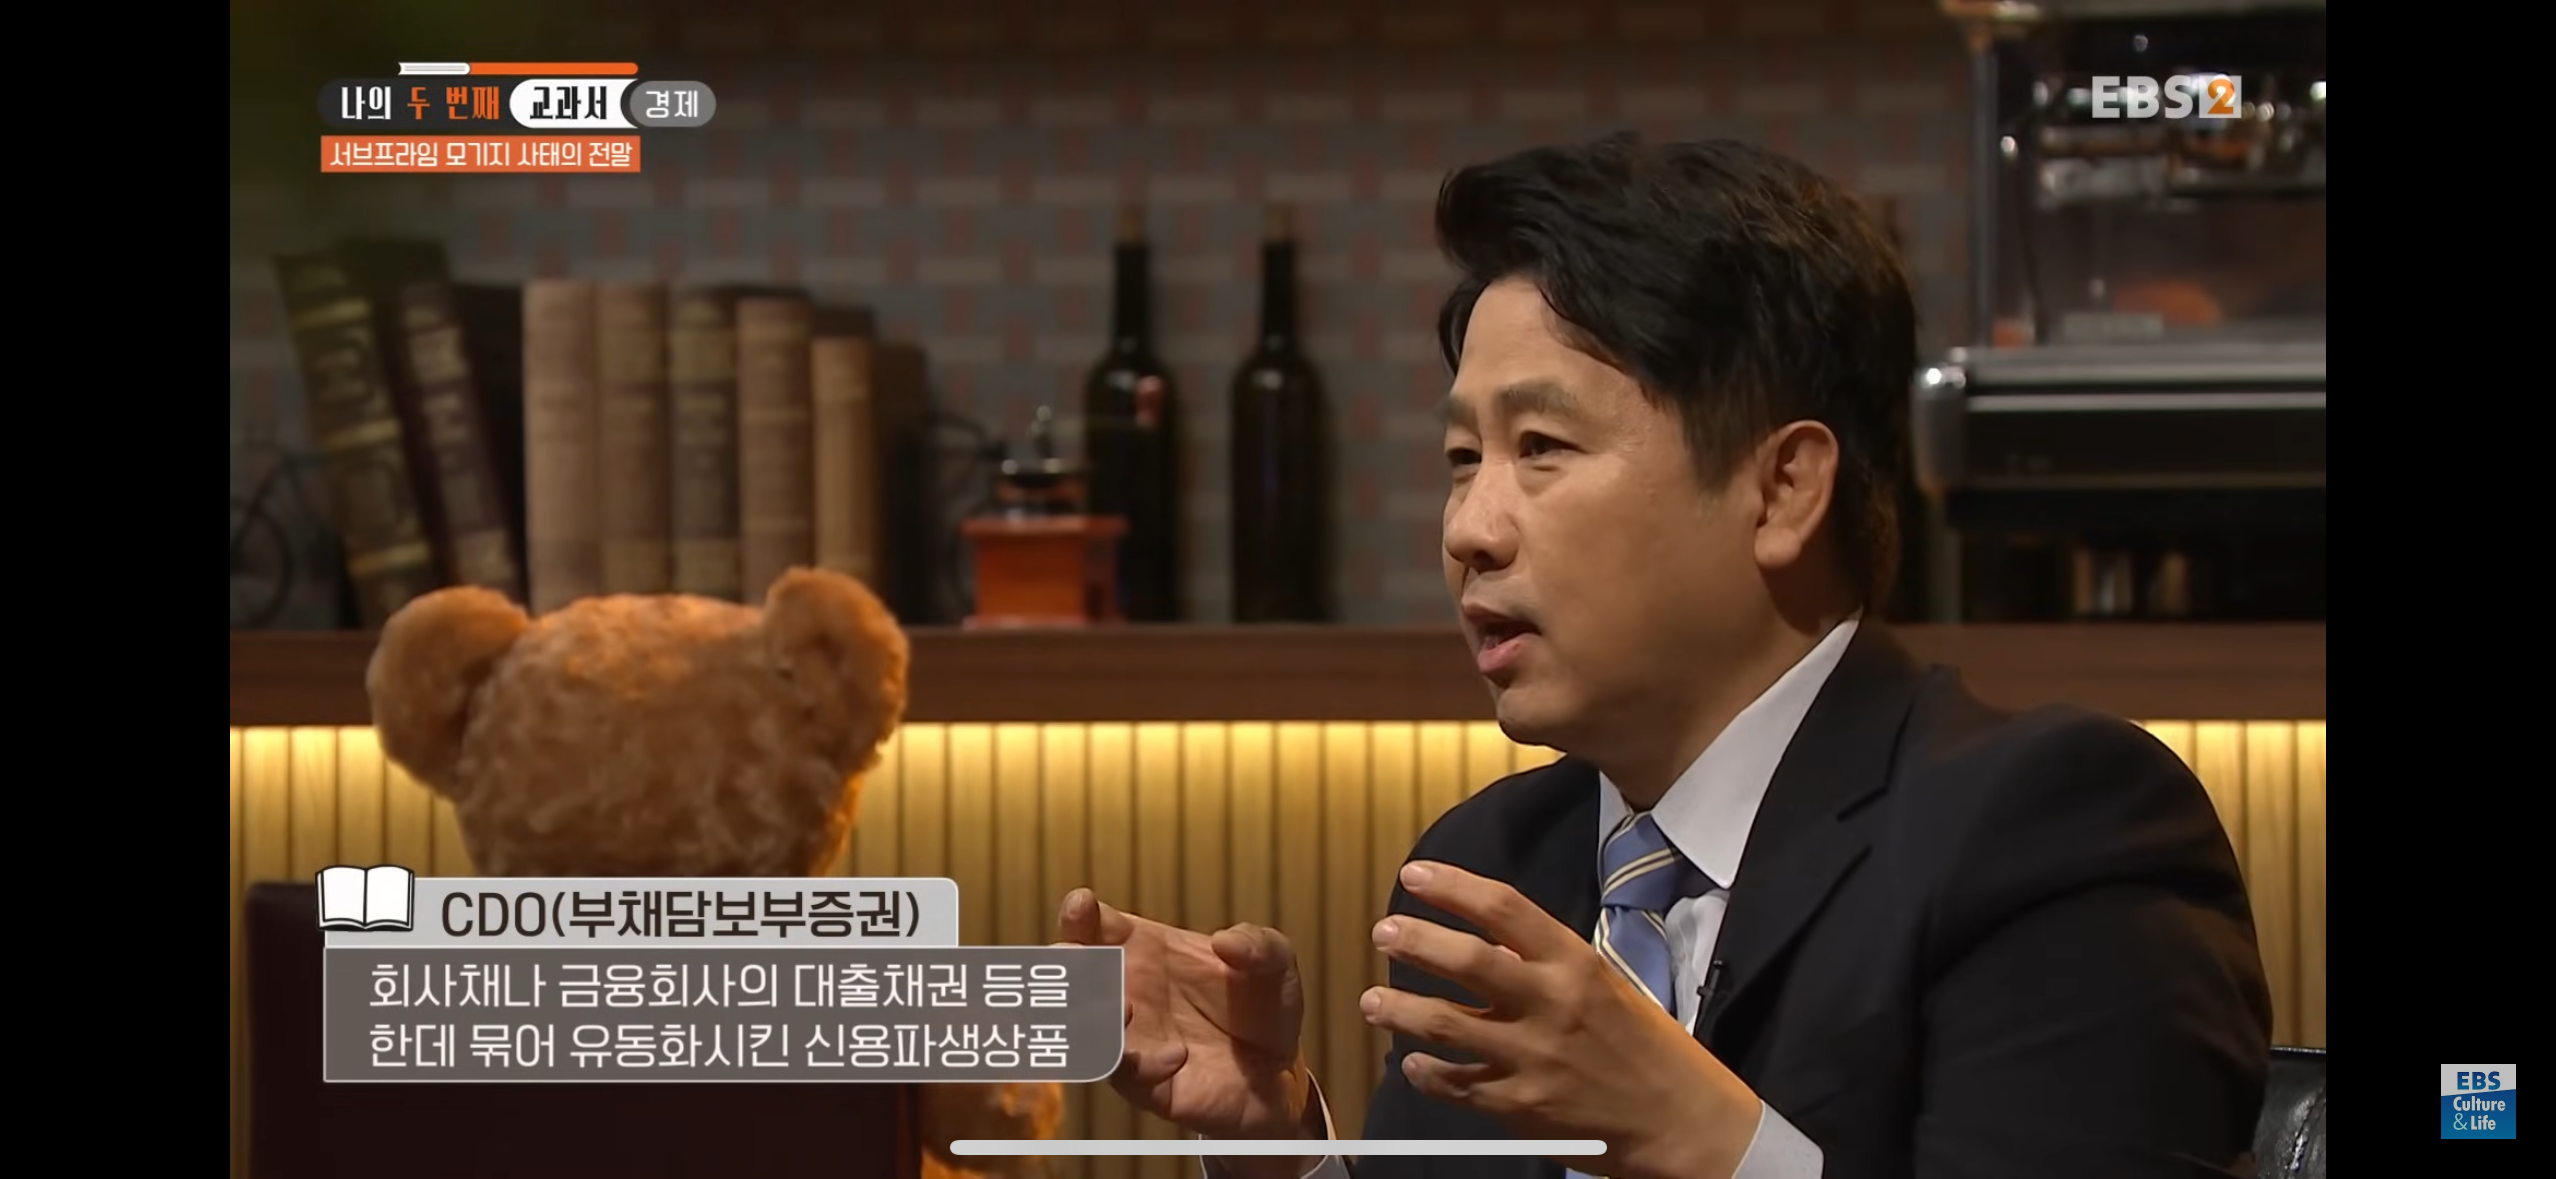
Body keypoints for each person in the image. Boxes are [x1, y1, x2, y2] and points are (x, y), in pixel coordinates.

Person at [1055, 134, 2272, 1179]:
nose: (1470, 530)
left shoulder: (2052, 828)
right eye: (1462, 459)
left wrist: (1710, 1142)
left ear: (1781, 489)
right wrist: (1280, 1146)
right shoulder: (1485, 866)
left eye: (1541, 446)